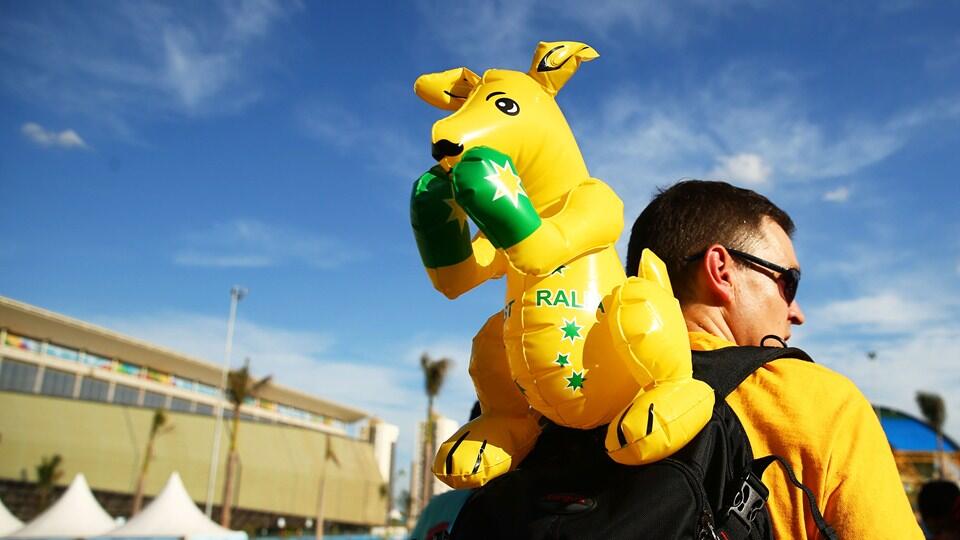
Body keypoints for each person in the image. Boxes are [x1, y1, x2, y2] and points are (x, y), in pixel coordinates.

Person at [625, 179, 922, 538]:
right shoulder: (823, 404)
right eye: (789, 282)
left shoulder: (572, 400)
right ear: (722, 270)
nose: (796, 312)